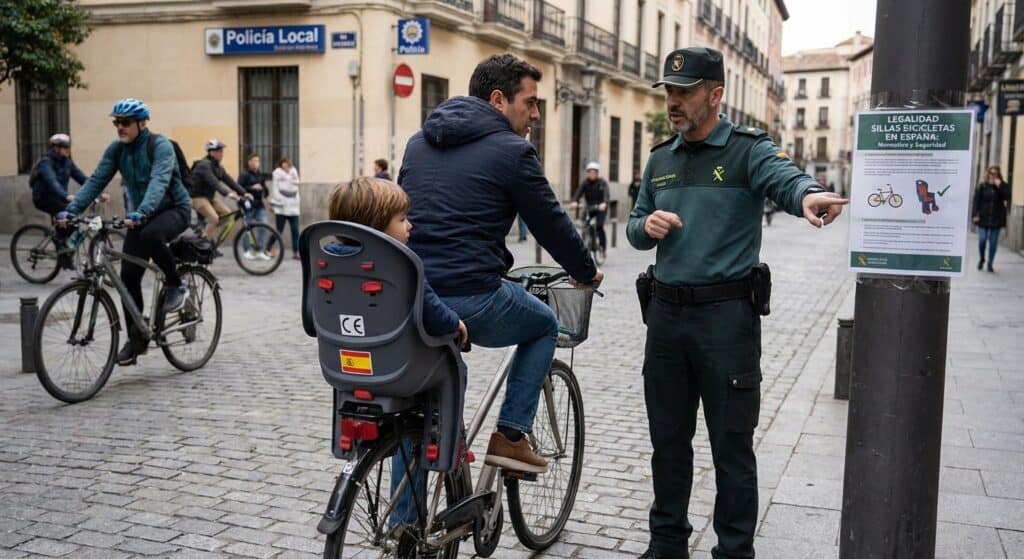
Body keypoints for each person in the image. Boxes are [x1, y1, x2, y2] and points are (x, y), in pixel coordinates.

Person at [627, 47, 848, 559]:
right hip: (665, 319)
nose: (674, 102)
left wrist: (809, 195)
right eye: (669, 92)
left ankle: (733, 550)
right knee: (668, 442)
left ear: (716, 94)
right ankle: (666, 545)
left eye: (685, 92)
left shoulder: (748, 150)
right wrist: (646, 226)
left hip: (726, 322)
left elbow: (785, 179)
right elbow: (637, 225)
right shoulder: (661, 159)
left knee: (731, 446)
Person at [399, 53, 603, 473]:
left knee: (420, 411)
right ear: (498, 100)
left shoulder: (418, 142)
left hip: (413, 295)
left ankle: (406, 528)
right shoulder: (513, 151)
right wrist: (585, 270)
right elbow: (550, 223)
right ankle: (511, 437)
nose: (537, 114)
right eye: (530, 102)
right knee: (545, 322)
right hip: (471, 296)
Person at [324, 176, 469, 527]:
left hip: (346, 367)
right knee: (454, 366)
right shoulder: (402, 262)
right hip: (401, 368)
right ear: (376, 226)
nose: (410, 225)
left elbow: (313, 320)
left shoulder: (325, 259)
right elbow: (434, 313)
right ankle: (449, 440)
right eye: (402, 219)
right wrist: (458, 327)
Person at [58, 98, 193, 366]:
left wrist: (142, 211)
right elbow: (97, 180)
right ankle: (136, 339)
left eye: (126, 123)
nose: (120, 127)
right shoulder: (117, 150)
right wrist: (73, 211)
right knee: (128, 277)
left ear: (142, 123)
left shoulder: (160, 146)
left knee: (152, 235)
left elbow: (159, 181)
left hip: (173, 209)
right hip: (139, 215)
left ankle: (176, 284)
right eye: (116, 122)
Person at [30, 134, 107, 268]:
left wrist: (99, 193)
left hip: (59, 197)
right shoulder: (46, 162)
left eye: (68, 147)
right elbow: (51, 182)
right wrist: (66, 196)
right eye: (64, 147)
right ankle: (62, 250)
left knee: (72, 218)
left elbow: (83, 179)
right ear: (55, 148)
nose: (67, 150)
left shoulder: (67, 162)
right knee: (69, 216)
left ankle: (64, 250)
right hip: (43, 198)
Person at [190, 139, 251, 241]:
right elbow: (214, 183)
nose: (221, 153)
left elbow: (230, 181)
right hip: (197, 197)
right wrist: (228, 193)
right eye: (219, 151)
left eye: (222, 151)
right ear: (211, 152)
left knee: (227, 214)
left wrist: (244, 193)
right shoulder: (203, 166)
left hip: (210, 197)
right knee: (214, 218)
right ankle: (203, 244)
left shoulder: (218, 167)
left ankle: (204, 231)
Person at [972, 165, 1011, 272]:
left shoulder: (1003, 186)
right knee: (982, 240)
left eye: (996, 174)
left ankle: (990, 263)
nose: (993, 176)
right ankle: (982, 258)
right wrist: (975, 215)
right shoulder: (982, 186)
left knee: (993, 242)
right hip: (983, 218)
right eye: (991, 173)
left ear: (999, 174)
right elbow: (976, 202)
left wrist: (1000, 186)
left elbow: (1007, 197)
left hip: (996, 219)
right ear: (988, 173)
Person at [572, 161, 610, 257]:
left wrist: (604, 203)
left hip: (601, 208)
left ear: (597, 173)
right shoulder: (585, 183)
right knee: (584, 224)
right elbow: (578, 192)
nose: (591, 174)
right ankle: (587, 241)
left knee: (599, 226)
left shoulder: (602, 183)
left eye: (594, 172)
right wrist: (574, 201)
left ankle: (602, 247)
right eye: (590, 172)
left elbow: (606, 194)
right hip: (589, 208)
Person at [237, 153, 271, 260]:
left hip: (259, 205)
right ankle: (247, 251)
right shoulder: (244, 174)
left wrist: (264, 190)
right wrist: (252, 188)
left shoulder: (260, 175)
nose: (257, 163)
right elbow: (239, 188)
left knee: (263, 226)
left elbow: (265, 191)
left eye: (258, 161)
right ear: (249, 162)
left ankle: (259, 250)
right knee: (248, 229)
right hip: (248, 206)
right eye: (254, 161)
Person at [271, 157, 301, 260]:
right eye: (284, 163)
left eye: (287, 164)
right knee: (278, 230)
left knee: (295, 230)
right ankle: (269, 247)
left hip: (293, 207)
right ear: (281, 164)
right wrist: (277, 200)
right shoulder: (277, 173)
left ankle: (296, 252)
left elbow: (296, 184)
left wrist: (289, 179)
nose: (286, 165)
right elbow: (276, 187)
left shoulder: (294, 171)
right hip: (281, 207)